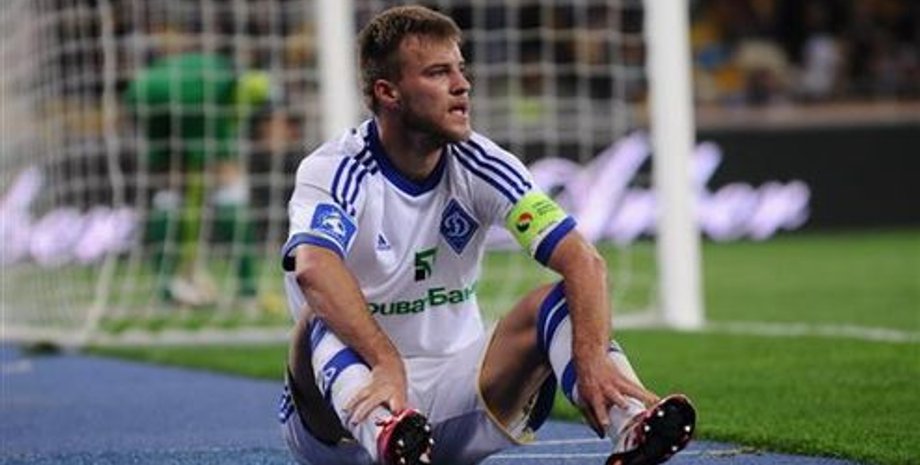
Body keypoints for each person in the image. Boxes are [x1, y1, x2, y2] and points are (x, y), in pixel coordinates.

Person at [277, 6, 695, 465]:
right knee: (318, 316)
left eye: (460, 69)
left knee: (558, 299)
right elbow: (313, 268)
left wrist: (591, 358)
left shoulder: (483, 164)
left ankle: (631, 423)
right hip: (342, 424)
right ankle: (386, 433)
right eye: (438, 72)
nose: (462, 85)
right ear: (388, 92)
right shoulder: (335, 168)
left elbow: (584, 260)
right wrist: (385, 361)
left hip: (461, 397)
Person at [124, 52, 273, 306]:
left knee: (172, 185)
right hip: (197, 96)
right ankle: (247, 289)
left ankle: (170, 286)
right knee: (228, 180)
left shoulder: (212, 66)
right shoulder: (234, 89)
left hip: (142, 93)